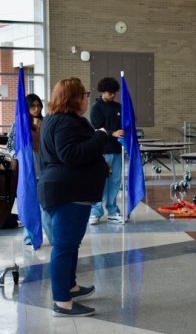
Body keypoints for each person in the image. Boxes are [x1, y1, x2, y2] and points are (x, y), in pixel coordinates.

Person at [38, 77, 116, 317]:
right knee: (63, 247)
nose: (86, 99)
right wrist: (101, 136)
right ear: (74, 99)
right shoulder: (66, 123)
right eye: (84, 95)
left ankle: (69, 287)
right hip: (67, 193)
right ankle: (62, 302)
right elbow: (71, 154)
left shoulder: (56, 119)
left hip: (64, 190)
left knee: (70, 244)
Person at [6, 93, 53, 245]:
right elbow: (11, 147)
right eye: (32, 106)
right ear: (27, 107)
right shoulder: (19, 125)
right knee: (28, 205)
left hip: (45, 167)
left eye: (38, 105)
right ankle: (30, 237)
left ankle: (53, 237)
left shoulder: (46, 122)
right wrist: (21, 161)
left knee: (45, 206)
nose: (36, 108)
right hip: (27, 169)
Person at [89, 77, 124, 225]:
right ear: (103, 91)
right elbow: (97, 128)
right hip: (102, 150)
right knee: (100, 181)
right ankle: (96, 212)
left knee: (115, 181)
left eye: (115, 92)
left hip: (117, 149)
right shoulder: (96, 107)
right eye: (110, 93)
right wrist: (113, 133)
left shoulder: (118, 107)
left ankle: (112, 210)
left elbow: (124, 124)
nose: (113, 95)